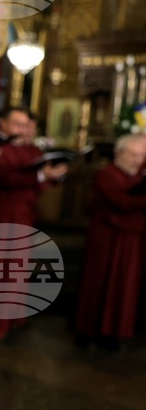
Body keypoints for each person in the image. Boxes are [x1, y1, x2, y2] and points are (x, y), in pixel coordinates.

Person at [73, 134, 146, 348]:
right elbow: (120, 202)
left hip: (132, 238)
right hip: (106, 238)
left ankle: (113, 330)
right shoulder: (106, 174)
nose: (137, 160)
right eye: (133, 155)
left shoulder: (139, 175)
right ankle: (87, 329)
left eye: (141, 156)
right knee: (98, 282)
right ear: (119, 153)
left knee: (123, 285)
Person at [0, 108, 68, 229]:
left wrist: (55, 174)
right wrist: (42, 175)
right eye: (17, 124)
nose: (22, 129)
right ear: (3, 123)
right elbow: (7, 178)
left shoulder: (33, 151)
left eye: (24, 125)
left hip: (25, 211)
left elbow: (44, 181)